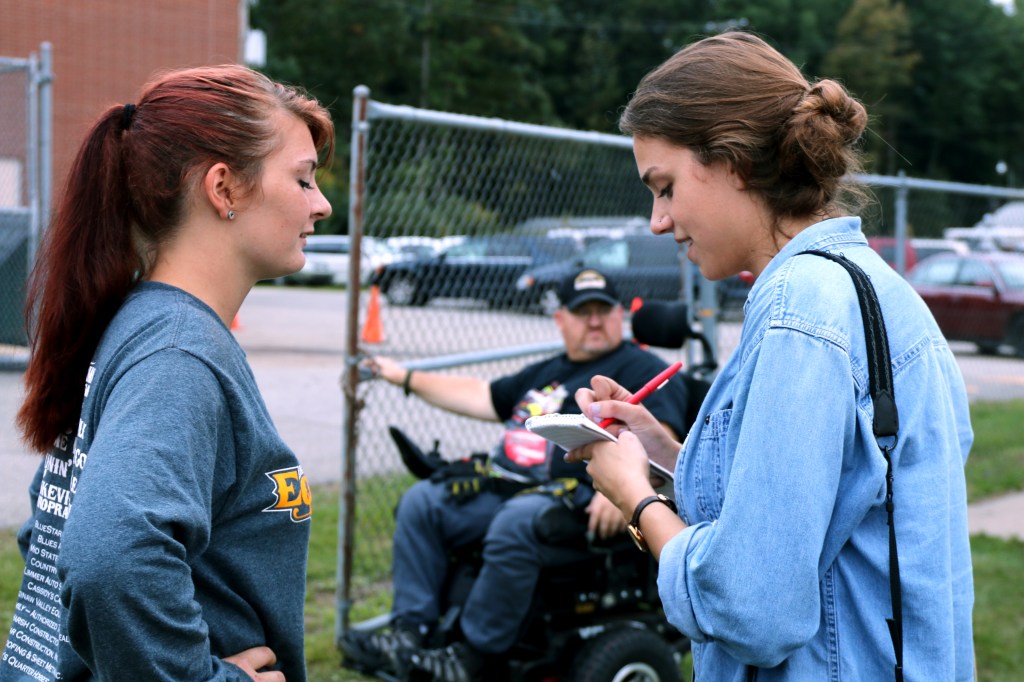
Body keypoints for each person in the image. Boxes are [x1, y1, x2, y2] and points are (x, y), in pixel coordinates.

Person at [566, 31, 975, 681]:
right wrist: (660, 452)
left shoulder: (800, 313)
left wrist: (634, 497)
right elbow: (824, 501)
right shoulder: (871, 289)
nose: (657, 221)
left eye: (665, 186)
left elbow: (754, 609)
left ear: (733, 162)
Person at [2, 65, 334, 681]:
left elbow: (54, 537)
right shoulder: (177, 354)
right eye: (303, 179)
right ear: (224, 188)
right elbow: (109, 557)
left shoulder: (138, 323)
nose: (321, 204)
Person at [343, 268, 691, 682]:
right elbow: (481, 396)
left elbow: (663, 432)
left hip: (578, 499)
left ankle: (471, 657)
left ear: (620, 315)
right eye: (583, 312)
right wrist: (403, 376)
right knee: (424, 503)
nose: (594, 321)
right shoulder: (548, 371)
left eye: (603, 310)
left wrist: (628, 490)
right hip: (511, 490)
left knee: (516, 522)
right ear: (561, 319)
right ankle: (411, 635)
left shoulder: (640, 367)